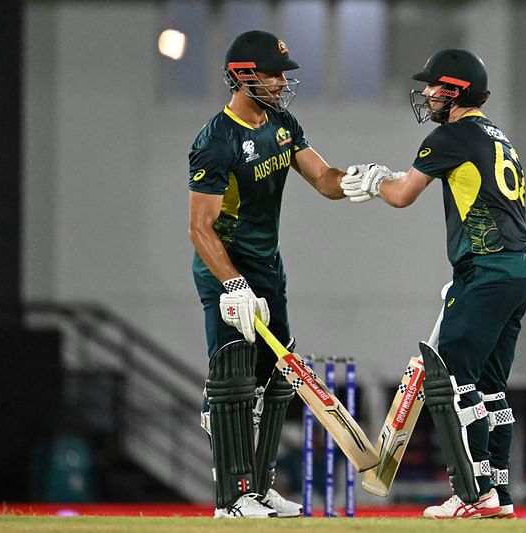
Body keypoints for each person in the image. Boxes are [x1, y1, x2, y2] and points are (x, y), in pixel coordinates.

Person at [342, 49, 526, 519]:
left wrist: (373, 181)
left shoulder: (450, 136)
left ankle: (475, 494)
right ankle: (499, 495)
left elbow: (404, 195)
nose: (427, 94)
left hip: (488, 271)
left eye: (434, 87)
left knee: (451, 378)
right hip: (518, 269)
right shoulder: (498, 136)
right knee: (492, 388)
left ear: (455, 90)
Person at [187, 30, 370, 519]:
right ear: (244, 76)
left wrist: (360, 181)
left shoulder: (283, 124)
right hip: (227, 271)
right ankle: (232, 498)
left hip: (268, 268)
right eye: (272, 73)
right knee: (233, 382)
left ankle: (260, 489)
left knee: (277, 380)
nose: (281, 81)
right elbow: (199, 228)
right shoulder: (215, 142)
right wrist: (232, 284)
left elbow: (325, 180)